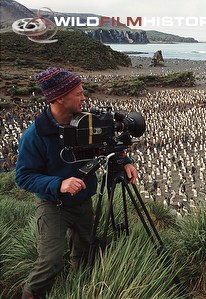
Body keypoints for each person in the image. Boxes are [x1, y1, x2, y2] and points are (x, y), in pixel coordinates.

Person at [15, 67, 138, 299]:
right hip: (54, 205)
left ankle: (78, 290)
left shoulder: (86, 123)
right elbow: (23, 176)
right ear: (59, 97)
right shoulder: (34, 135)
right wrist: (58, 183)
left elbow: (107, 143)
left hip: (83, 202)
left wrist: (126, 161)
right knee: (51, 262)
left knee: (86, 255)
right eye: (78, 93)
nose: (84, 98)